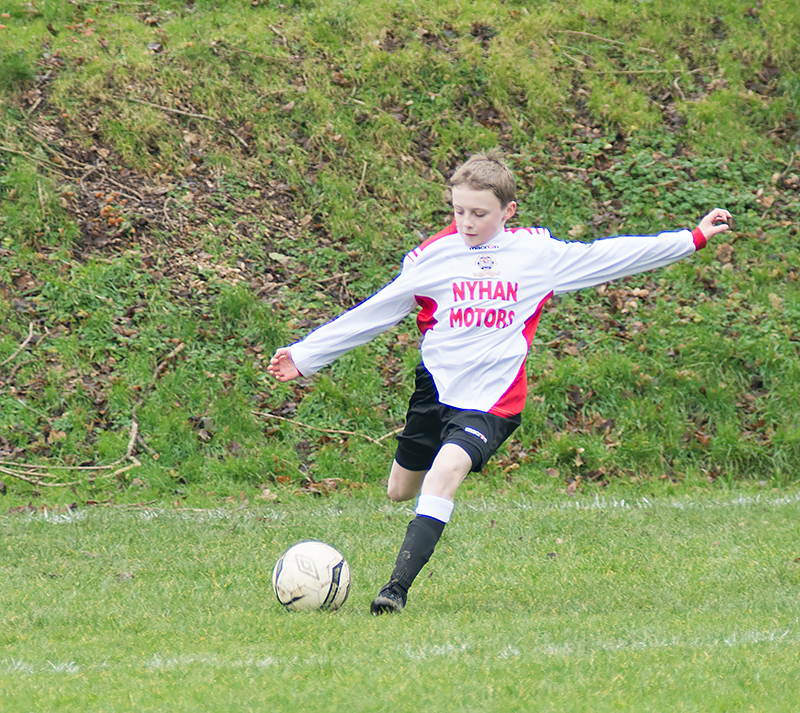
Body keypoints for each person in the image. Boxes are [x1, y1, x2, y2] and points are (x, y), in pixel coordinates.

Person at [268, 149, 732, 615]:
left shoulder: (534, 254)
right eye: (458, 210)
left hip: (493, 400)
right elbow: (376, 311)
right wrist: (306, 356)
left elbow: (609, 255)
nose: (466, 222)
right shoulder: (432, 258)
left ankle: (395, 590)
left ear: (508, 211)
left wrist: (691, 238)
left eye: (479, 213)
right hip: (434, 391)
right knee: (400, 491)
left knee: (446, 471)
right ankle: (426, 501)